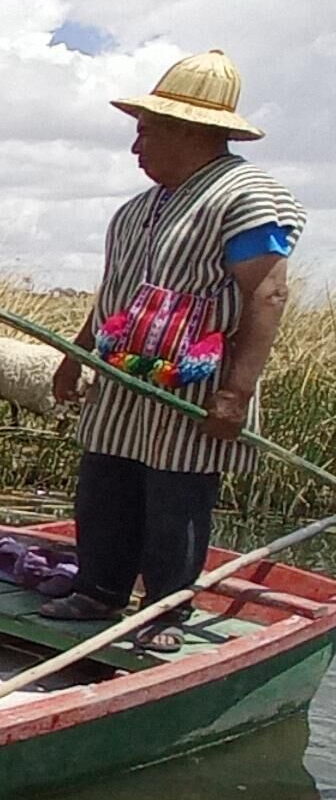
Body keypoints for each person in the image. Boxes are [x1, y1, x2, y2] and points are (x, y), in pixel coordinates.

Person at [40, 49, 306, 651]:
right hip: (124, 374)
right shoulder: (137, 210)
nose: (136, 149)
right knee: (104, 481)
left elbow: (266, 294)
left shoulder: (247, 196)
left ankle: (163, 611)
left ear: (192, 133)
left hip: (195, 382)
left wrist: (235, 393)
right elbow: (114, 293)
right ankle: (100, 590)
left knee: (174, 496)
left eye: (146, 133)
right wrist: (77, 354)